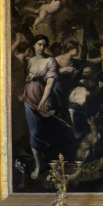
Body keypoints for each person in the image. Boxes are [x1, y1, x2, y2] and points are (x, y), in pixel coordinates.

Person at [18, 34, 72, 180]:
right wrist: (23, 93)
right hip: (29, 101)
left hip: (45, 100)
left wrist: (43, 101)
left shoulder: (50, 61)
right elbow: (24, 80)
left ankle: (57, 166)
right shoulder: (29, 61)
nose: (41, 47)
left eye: (44, 45)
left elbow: (50, 83)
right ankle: (38, 165)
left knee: (50, 132)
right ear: (33, 45)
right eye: (38, 44)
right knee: (34, 133)